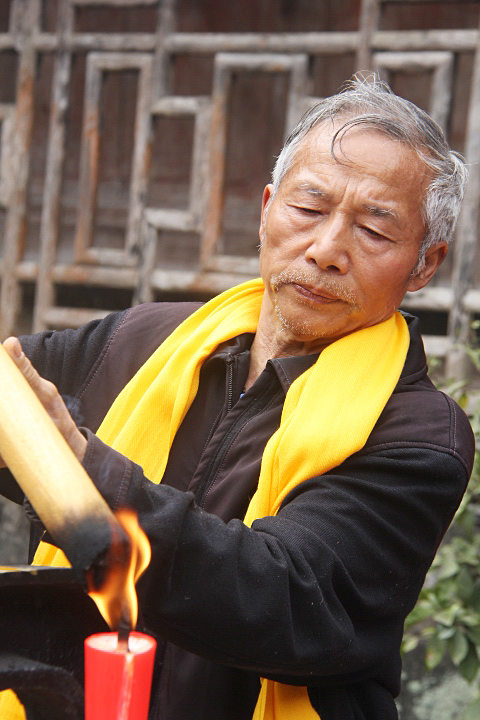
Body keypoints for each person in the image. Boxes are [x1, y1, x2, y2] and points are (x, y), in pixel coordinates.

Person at [0, 77, 475, 720]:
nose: (326, 251)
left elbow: (285, 596)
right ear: (267, 209)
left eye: (373, 230)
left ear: (425, 264)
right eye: (308, 208)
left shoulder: (417, 434)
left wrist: (81, 471)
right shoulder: (141, 340)